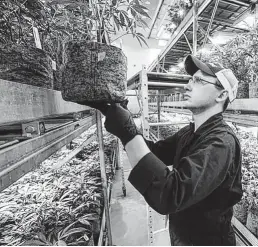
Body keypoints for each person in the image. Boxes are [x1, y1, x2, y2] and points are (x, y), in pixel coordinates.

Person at [87, 55, 243, 246]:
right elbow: (155, 152)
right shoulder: (191, 131)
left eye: (198, 80)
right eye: (190, 79)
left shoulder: (221, 143)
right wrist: (125, 124)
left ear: (221, 95)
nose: (187, 85)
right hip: (183, 235)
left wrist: (128, 133)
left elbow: (171, 194)